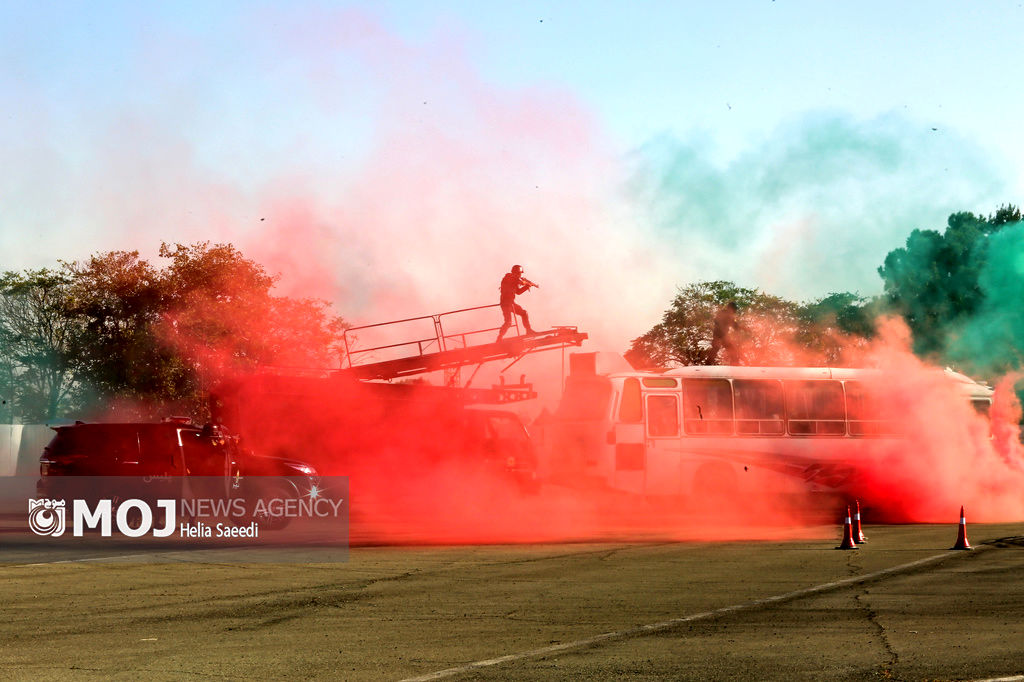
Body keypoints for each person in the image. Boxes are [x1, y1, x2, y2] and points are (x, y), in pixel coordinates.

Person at [497, 264, 536, 341]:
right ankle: (499, 338)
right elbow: (520, 282)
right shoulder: (509, 277)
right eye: (520, 273)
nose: (520, 275)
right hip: (505, 304)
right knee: (508, 322)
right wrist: (526, 283)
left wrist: (527, 286)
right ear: (517, 273)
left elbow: (518, 292)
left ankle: (528, 331)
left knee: (524, 313)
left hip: (510, 303)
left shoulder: (514, 279)